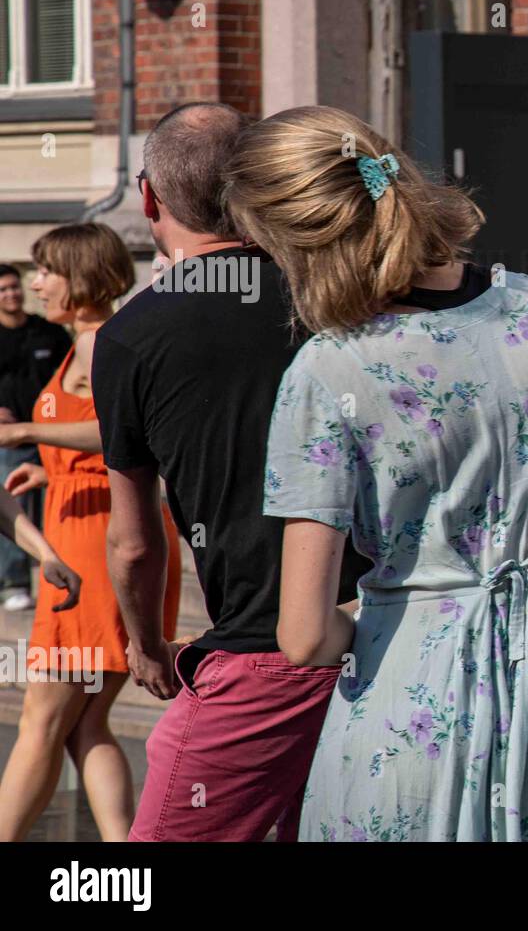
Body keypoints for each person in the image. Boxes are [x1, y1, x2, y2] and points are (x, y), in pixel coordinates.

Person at [224, 105, 528, 842]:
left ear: (298, 240)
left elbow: (301, 636)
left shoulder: (330, 369)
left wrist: (380, 612)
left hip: (415, 706)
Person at [90, 102, 366, 842]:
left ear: (148, 197)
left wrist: (146, 643)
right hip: (382, 646)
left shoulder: (130, 337)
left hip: (263, 658)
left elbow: (136, 543)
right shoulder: (337, 298)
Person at [0, 223, 182, 842]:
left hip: (95, 549)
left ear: (79, 276)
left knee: (42, 719)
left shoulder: (105, 341)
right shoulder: (83, 341)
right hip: (84, 533)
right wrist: (45, 466)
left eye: (46, 270)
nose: (36, 283)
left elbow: (123, 435)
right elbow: (82, 436)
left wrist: (25, 434)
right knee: (85, 725)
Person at [0, 263, 71, 613]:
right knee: (12, 504)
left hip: (51, 437)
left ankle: (54, 571)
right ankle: (13, 582)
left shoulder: (49, 331)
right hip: (8, 443)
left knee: (51, 510)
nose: (11, 294)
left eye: (14, 286)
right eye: (3, 289)